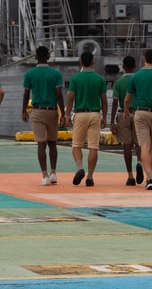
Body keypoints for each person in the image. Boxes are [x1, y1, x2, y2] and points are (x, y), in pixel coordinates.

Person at [123, 49, 152, 190]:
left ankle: (148, 176)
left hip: (140, 112)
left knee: (144, 145)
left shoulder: (135, 77)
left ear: (143, 59)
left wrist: (125, 111)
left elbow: (127, 99)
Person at [21, 46, 65, 185]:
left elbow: (26, 94)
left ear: (35, 57)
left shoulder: (30, 74)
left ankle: (45, 175)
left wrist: (23, 110)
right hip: (52, 110)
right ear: (48, 57)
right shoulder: (55, 74)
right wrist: (63, 113)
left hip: (37, 111)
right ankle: (53, 173)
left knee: (41, 143)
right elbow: (59, 94)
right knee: (53, 143)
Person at [66, 51, 107, 187]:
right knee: (93, 146)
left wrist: (67, 115)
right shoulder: (100, 79)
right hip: (95, 114)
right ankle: (90, 176)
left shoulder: (75, 79)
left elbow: (70, 98)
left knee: (76, 144)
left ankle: (79, 169)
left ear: (81, 62)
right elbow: (104, 101)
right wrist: (104, 117)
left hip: (80, 113)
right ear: (93, 62)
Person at [111, 56, 143, 187]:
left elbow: (114, 102)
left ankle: (130, 176)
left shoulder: (118, 83)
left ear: (123, 66)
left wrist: (112, 121)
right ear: (135, 66)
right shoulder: (139, 80)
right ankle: (140, 163)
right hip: (139, 113)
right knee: (140, 143)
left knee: (127, 145)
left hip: (124, 114)